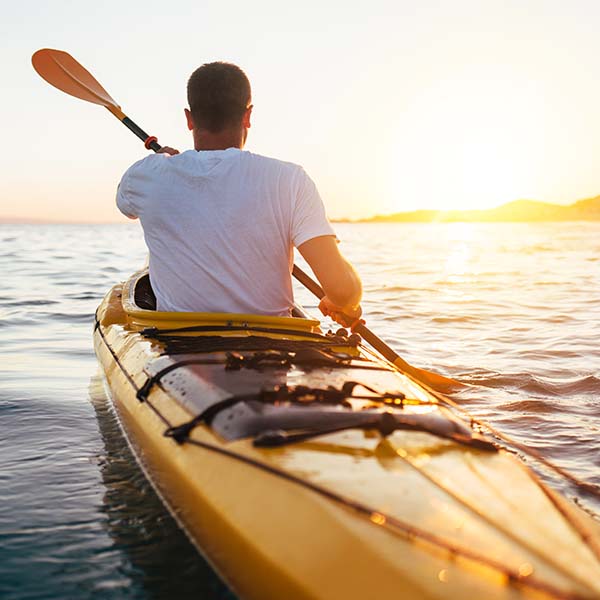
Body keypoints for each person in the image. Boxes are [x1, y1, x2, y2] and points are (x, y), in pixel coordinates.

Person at [116, 61, 362, 327]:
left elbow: (125, 205)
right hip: (274, 348)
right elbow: (342, 289)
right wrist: (342, 301)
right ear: (248, 116)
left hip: (177, 343)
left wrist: (162, 161)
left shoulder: (146, 175)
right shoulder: (292, 180)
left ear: (189, 118)